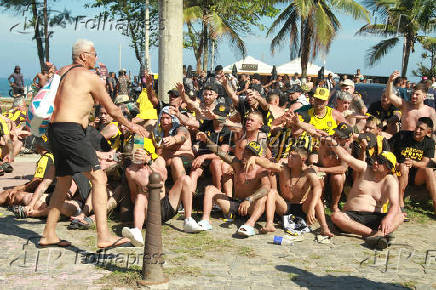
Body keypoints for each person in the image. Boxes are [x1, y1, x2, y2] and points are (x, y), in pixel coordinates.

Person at [39, 39, 146, 249]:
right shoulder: (90, 77)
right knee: (99, 177)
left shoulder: (62, 72)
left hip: (55, 130)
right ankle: (104, 236)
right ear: (83, 56)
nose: (97, 58)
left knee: (63, 181)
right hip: (71, 130)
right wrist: (133, 127)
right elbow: (113, 109)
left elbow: (47, 89)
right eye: (94, 54)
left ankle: (48, 234)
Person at [246, 146, 333, 237]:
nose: (289, 158)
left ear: (302, 159)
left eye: (293, 156)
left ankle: (324, 227)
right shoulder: (284, 168)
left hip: (302, 207)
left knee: (316, 198)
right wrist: (254, 158)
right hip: (285, 207)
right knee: (272, 192)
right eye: (289, 155)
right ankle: (270, 224)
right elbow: (268, 164)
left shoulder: (309, 172)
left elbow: (318, 187)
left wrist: (311, 207)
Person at [330, 143, 403, 250]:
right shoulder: (365, 168)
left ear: (388, 167)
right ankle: (376, 235)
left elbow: (395, 205)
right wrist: (332, 142)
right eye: (377, 159)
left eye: (381, 161)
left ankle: (378, 234)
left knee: (400, 216)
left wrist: (388, 218)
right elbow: (347, 157)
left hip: (375, 216)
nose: (376, 162)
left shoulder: (390, 181)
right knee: (336, 216)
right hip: (352, 215)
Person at [196, 136, 271, 237]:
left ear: (255, 158)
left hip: (250, 207)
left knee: (264, 197)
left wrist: (249, 199)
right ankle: (205, 220)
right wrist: (207, 140)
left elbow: (266, 188)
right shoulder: (237, 163)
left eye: (249, 154)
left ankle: (249, 225)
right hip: (235, 204)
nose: (245, 155)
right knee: (210, 189)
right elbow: (220, 152)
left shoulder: (260, 170)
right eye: (245, 152)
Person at [389, 117, 436, 216]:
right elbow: (387, 149)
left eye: (421, 129)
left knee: (429, 168)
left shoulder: (429, 142)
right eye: (417, 127)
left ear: (429, 131)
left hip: (416, 177)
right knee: (404, 166)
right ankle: (400, 203)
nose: (417, 130)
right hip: (399, 171)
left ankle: (435, 204)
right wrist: (395, 162)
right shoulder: (402, 136)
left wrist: (413, 163)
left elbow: (425, 162)